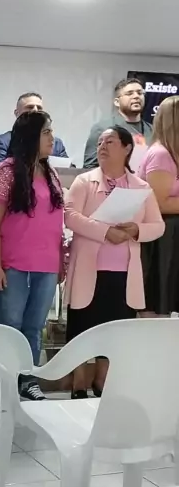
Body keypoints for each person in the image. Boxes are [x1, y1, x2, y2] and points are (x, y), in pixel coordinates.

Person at [65, 126, 164, 398]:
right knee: (82, 327)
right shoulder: (84, 181)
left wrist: (136, 229)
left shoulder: (141, 187)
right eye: (99, 143)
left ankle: (102, 384)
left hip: (123, 273)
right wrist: (105, 231)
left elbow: (158, 226)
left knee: (114, 331)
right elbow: (70, 216)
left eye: (110, 142)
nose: (102, 147)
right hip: (89, 269)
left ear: (127, 148)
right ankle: (78, 385)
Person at [0, 111, 64, 401]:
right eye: (46, 132)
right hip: (12, 265)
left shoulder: (51, 173)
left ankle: (28, 379)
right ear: (31, 136)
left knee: (34, 327)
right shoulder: (5, 172)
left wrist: (60, 262)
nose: (52, 138)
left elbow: (56, 223)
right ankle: (3, 382)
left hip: (46, 265)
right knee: (10, 328)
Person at [137, 96, 179, 314]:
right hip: (163, 241)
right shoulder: (161, 154)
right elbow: (158, 203)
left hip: (172, 238)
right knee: (159, 302)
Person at [0, 92, 68, 171]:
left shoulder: (56, 143)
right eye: (29, 107)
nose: (35, 110)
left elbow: (69, 172)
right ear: (16, 113)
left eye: (39, 108)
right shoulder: (2, 142)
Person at [83, 78, 153, 169]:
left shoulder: (153, 130)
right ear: (117, 102)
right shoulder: (103, 128)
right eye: (129, 93)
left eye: (140, 93)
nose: (136, 96)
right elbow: (89, 167)